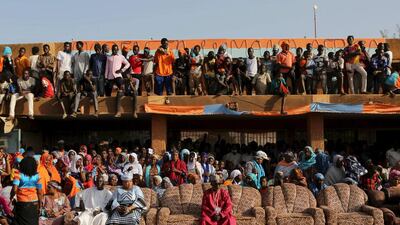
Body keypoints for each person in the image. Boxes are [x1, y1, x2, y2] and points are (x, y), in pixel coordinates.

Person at [10, 156, 43, 225]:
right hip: (34, 202)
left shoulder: (18, 175)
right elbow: (40, 192)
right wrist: (40, 205)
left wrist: (11, 196)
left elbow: (14, 189)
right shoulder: (37, 176)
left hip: (22, 202)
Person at [105, 44, 130, 117]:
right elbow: (107, 68)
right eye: (113, 49)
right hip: (110, 77)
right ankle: (108, 107)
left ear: (118, 50)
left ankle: (122, 105)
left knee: (122, 88)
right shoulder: (108, 57)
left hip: (118, 76)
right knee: (108, 89)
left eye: (116, 49)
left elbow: (128, 64)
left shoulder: (121, 57)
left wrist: (121, 70)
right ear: (112, 49)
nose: (115, 50)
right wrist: (106, 77)